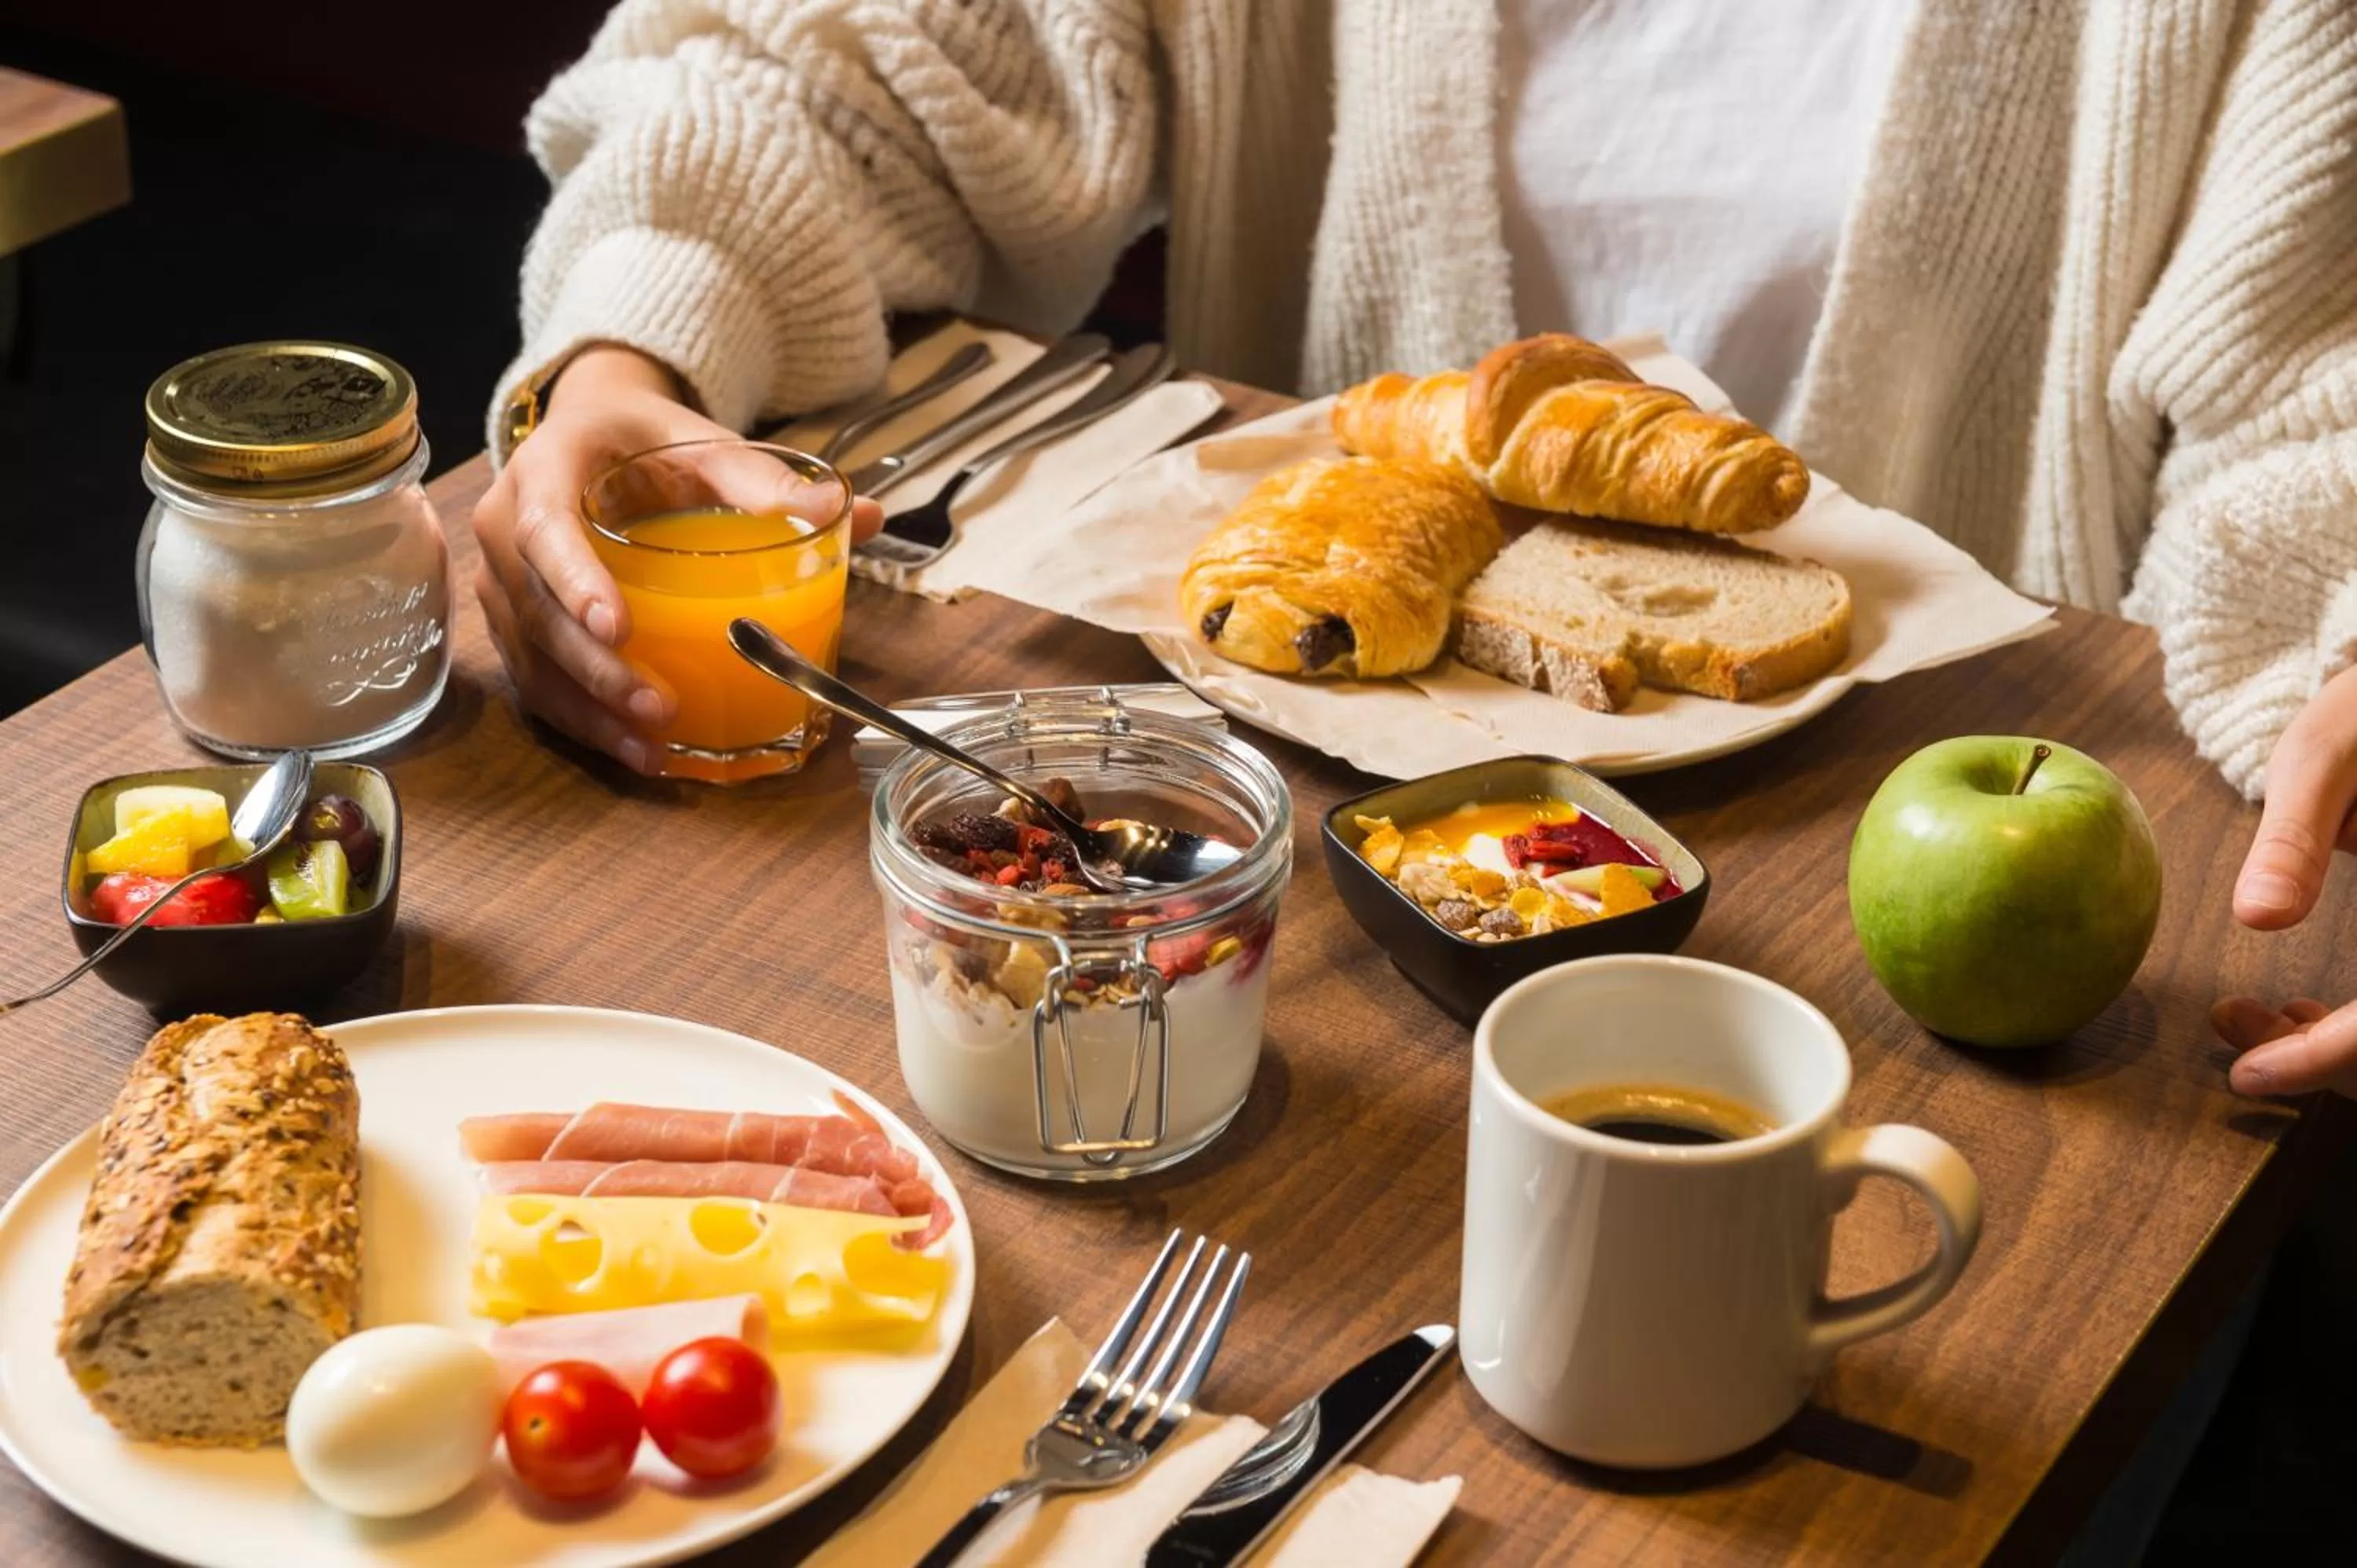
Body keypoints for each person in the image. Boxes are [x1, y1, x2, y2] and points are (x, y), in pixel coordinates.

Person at [476, 1, 2357, 1079]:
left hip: (1947, 949)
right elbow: (833, 68)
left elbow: (2322, 400)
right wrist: (638, 338)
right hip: (1291, 859)